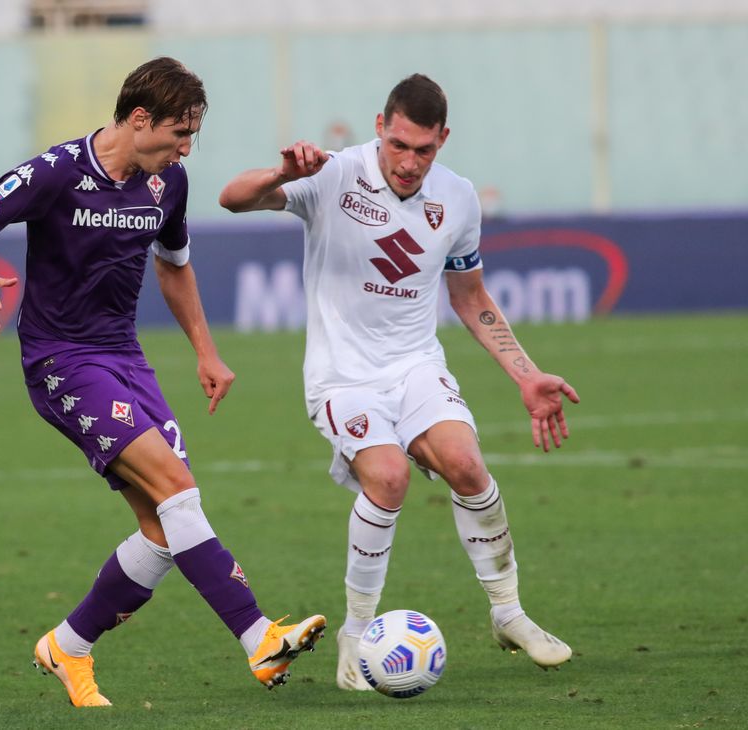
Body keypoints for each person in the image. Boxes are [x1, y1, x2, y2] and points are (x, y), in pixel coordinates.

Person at [0, 57, 325, 708]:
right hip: (62, 361)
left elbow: (175, 265)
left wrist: (207, 353)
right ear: (140, 119)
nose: (186, 149)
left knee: (165, 529)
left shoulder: (169, 183)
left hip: (125, 358)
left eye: (192, 136)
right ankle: (260, 638)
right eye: (179, 134)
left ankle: (68, 646)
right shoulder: (56, 172)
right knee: (177, 490)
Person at [219, 73, 580, 690]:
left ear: (443, 139)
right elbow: (231, 198)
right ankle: (356, 634)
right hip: (342, 377)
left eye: (425, 150)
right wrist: (281, 173)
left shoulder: (458, 198)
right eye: (400, 145)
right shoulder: (332, 173)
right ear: (380, 127)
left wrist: (526, 374)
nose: (410, 163)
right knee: (388, 477)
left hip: (414, 365)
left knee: (467, 466)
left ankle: (508, 613)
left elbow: (470, 296)